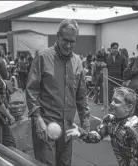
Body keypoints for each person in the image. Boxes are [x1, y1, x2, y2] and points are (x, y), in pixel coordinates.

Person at [25, 19, 90, 166]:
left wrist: (85, 124)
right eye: (65, 40)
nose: (68, 45)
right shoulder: (43, 57)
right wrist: (37, 119)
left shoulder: (77, 61)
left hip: (67, 128)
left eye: (72, 41)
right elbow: (31, 90)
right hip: (45, 126)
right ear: (58, 36)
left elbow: (81, 96)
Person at [67, 87, 138, 166]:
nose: (111, 103)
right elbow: (97, 136)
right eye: (112, 100)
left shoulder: (133, 129)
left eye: (117, 101)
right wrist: (81, 133)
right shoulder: (109, 119)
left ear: (128, 107)